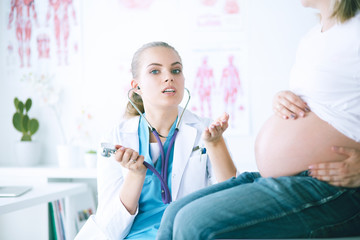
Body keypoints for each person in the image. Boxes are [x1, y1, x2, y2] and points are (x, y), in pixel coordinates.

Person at [156, 0, 360, 239]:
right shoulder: (314, 36)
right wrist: (282, 99)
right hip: (287, 178)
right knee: (173, 214)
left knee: (195, 225)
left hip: (334, 186)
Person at [75, 41, 237, 240]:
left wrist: (215, 144)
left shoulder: (206, 131)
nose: (169, 77)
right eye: (155, 71)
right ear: (137, 87)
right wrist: (135, 175)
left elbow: (233, 200)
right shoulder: (116, 138)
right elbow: (110, 226)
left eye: (176, 70)